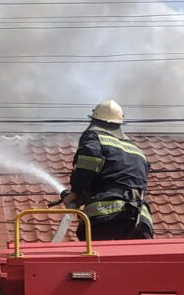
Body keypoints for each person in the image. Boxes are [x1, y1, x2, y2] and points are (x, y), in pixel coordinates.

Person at [60, 99, 153, 241]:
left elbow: (86, 169)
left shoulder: (94, 139)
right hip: (140, 221)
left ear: (95, 121)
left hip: (106, 219)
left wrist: (76, 193)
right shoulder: (137, 151)